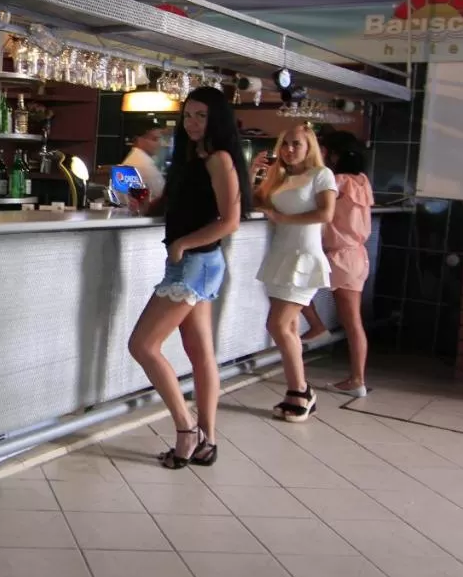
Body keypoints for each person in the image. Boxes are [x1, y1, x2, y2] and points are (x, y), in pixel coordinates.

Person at [128, 87, 252, 469]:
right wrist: (144, 205)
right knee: (200, 353)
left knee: (143, 345)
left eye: (201, 115)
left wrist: (183, 243)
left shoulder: (219, 159)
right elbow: (180, 207)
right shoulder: (190, 158)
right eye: (188, 115)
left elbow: (231, 220)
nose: (193, 123)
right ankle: (207, 441)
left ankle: (187, 429)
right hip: (193, 263)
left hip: (195, 263)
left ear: (217, 119)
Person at [251, 123, 337, 423]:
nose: (289, 149)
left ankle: (300, 389)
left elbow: (326, 213)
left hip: (305, 257)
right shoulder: (280, 176)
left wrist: (281, 217)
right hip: (281, 257)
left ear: (309, 146)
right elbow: (255, 201)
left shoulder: (321, 175)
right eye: (285, 144)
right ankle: (298, 391)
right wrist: (253, 171)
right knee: (286, 327)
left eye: (296, 144)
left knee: (278, 325)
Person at [300, 131, 374, 397]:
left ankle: (317, 328)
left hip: (340, 256)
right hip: (358, 256)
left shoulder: (336, 181)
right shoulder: (362, 181)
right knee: (354, 322)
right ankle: (357, 379)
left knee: (292, 284)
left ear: (334, 154)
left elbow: (307, 200)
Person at [121, 122, 167, 211]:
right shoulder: (143, 164)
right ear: (139, 140)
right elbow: (163, 195)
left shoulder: (134, 158)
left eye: (160, 139)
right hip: (143, 214)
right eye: (155, 139)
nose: (159, 144)